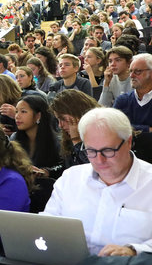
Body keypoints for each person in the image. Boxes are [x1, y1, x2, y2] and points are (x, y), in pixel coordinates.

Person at [42, 108, 152, 256]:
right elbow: (47, 225)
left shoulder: (148, 182)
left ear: (128, 142)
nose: (99, 160)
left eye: (108, 150)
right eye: (91, 151)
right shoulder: (71, 178)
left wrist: (133, 250)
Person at [50, 89, 100, 171]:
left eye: (63, 119)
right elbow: (67, 168)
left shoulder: (102, 133)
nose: (60, 125)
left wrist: (76, 141)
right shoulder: (67, 136)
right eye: (58, 120)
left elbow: (92, 169)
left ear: (78, 113)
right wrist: (49, 172)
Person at [12, 95, 61, 175]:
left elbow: (63, 167)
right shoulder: (14, 138)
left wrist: (46, 172)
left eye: (23, 111)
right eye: (16, 111)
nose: (17, 116)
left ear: (38, 116)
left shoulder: (56, 141)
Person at [113, 53, 152, 132]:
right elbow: (113, 126)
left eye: (137, 71)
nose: (131, 75)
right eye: (130, 71)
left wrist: (128, 128)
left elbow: (121, 128)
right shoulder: (123, 100)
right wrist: (148, 129)